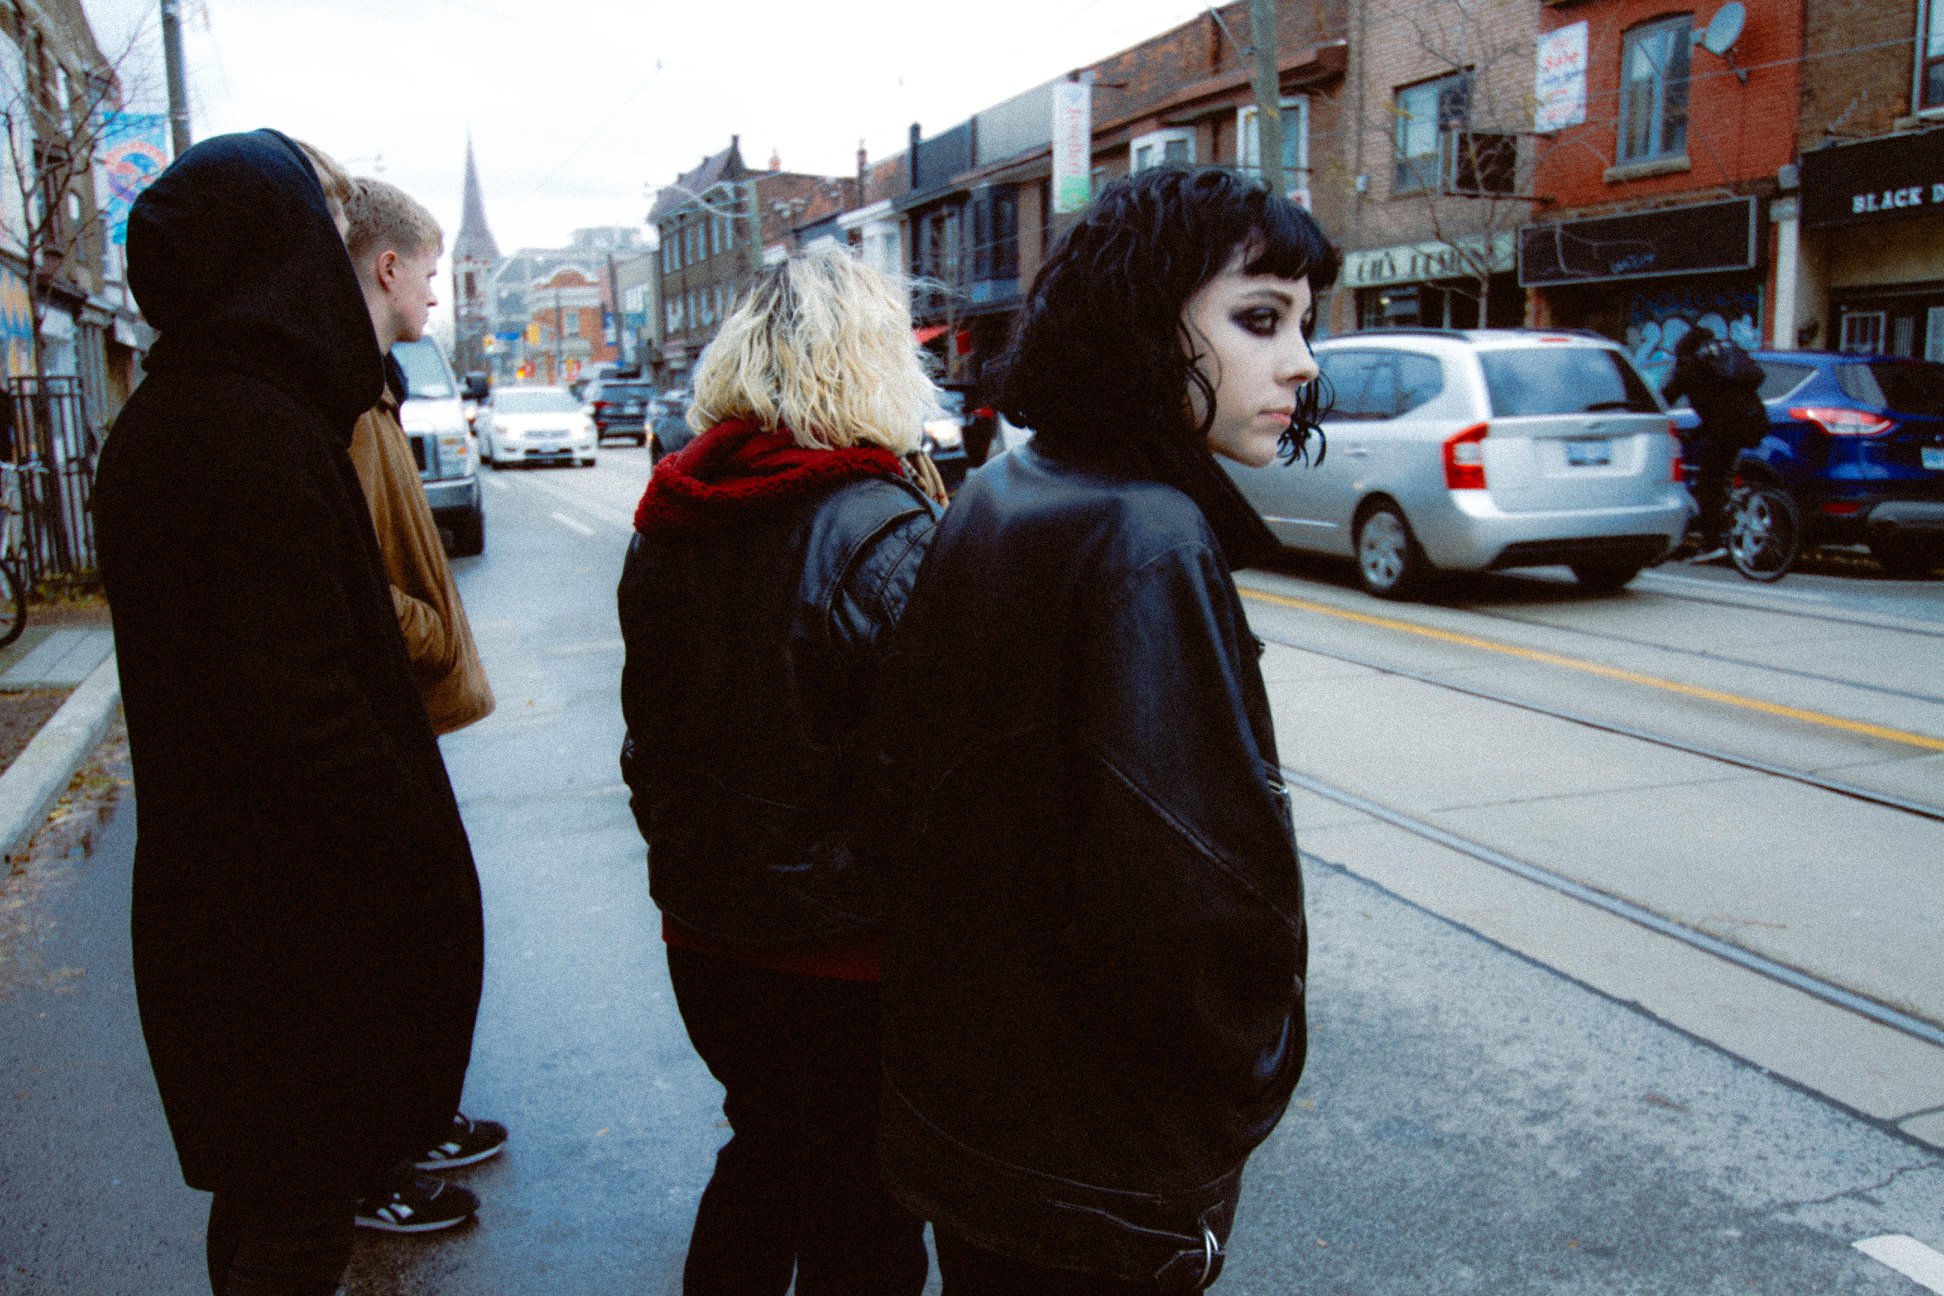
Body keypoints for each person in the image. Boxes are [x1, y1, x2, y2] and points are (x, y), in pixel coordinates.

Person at [870, 165, 1334, 1294]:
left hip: (980, 1117)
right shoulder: (1146, 534)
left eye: (1304, 326)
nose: (1301, 362)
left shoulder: (1007, 487)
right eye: (1259, 319)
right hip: (1099, 1159)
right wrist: (1241, 1083)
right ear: (1142, 320)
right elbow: (1201, 897)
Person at [95, 131, 484, 1294]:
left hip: (240, 929)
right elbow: (303, 720)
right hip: (285, 944)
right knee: (291, 1221)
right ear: (267, 240)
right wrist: (410, 874)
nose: (337, 235)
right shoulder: (244, 436)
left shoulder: (207, 415)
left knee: (274, 1205)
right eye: (317, 214)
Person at [617, 245, 940, 1295]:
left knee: (763, 1152)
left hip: (705, 937)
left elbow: (646, 738)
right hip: (846, 957)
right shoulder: (888, 530)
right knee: (866, 1201)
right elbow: (922, 781)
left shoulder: (672, 520)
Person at [339, 175, 506, 1229]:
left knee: (437, 927)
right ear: (389, 268)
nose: (439, 295)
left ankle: (416, 1118)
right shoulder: (342, 397)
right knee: (399, 939)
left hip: (398, 711)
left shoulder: (379, 378)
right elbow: (342, 571)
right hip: (375, 708)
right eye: (432, 273)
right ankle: (379, 1153)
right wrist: (425, 630)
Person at [1661, 324, 1768, 561]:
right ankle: (1742, 502)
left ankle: (1712, 543)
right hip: (1753, 421)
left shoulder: (1689, 367)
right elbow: (1720, 405)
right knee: (1723, 474)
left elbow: (1665, 398)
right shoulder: (1724, 356)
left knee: (1708, 485)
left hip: (1725, 428)